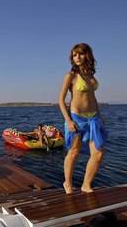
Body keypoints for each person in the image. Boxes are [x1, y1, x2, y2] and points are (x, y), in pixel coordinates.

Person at [58, 43, 108, 194]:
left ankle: (86, 184)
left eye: (80, 54)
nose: (77, 57)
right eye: (74, 55)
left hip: (93, 117)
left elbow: (92, 97)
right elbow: (61, 99)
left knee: (98, 153)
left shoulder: (91, 76)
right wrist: (68, 120)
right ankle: (67, 183)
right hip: (76, 117)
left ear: (87, 55)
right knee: (74, 152)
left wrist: (99, 115)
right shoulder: (71, 75)